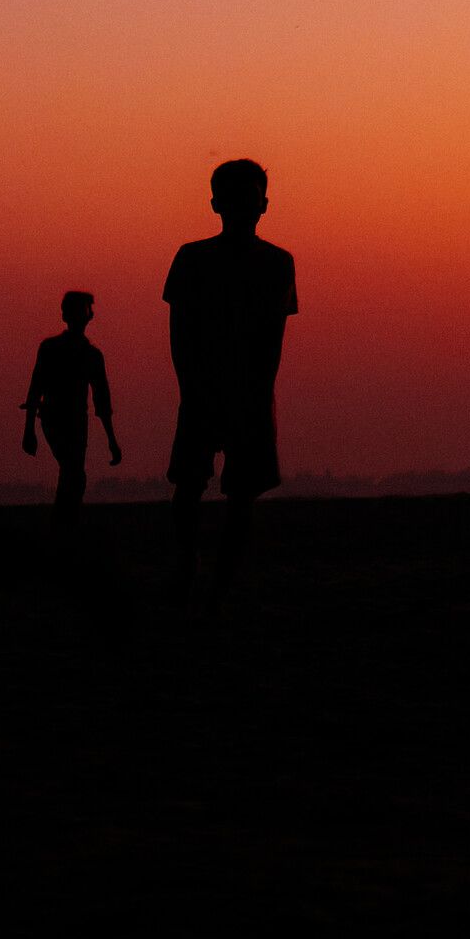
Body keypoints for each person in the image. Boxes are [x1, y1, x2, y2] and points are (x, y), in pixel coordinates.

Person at [164, 159, 296, 607]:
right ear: (216, 204)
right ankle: (190, 565)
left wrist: (257, 394)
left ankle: (219, 579)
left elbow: (273, 340)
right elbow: (180, 335)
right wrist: (191, 387)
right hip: (204, 389)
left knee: (240, 493)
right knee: (190, 484)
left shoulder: (278, 263)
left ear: (264, 204)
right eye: (235, 197)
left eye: (251, 196)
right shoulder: (192, 258)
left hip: (250, 393)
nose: (244, 205)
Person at [23, 291, 119, 533]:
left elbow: (102, 401)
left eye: (84, 310)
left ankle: (64, 525)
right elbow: (36, 389)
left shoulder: (92, 356)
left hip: (76, 420)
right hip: (54, 418)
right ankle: (64, 526)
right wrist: (29, 430)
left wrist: (112, 440)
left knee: (73, 474)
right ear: (66, 315)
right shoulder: (51, 348)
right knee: (73, 472)